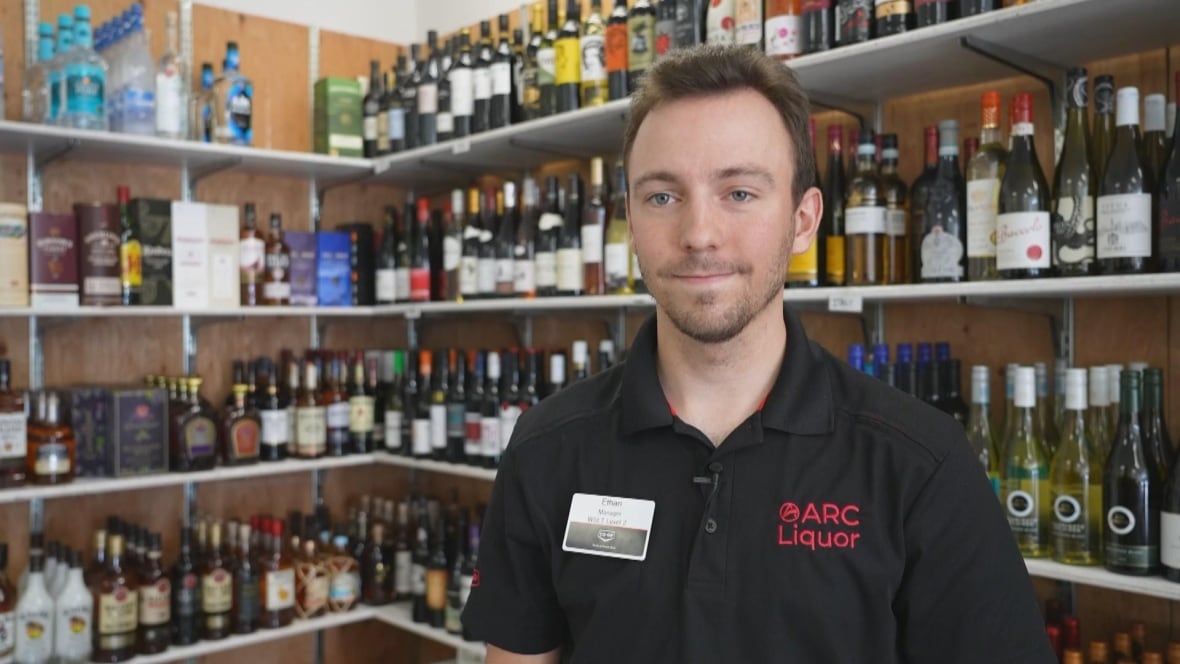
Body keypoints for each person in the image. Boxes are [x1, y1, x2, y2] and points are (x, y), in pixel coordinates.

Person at [462, 44, 1055, 664]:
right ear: (631, 222)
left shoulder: (920, 465)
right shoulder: (545, 449)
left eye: (739, 193)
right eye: (663, 196)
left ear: (803, 222)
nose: (698, 235)